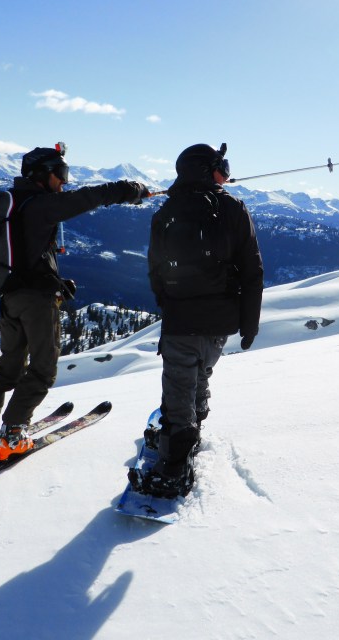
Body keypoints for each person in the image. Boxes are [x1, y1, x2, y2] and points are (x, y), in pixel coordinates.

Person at [0, 146, 148, 460]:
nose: (64, 182)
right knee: (43, 369)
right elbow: (90, 197)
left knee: (8, 370)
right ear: (42, 174)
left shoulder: (12, 203)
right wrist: (129, 190)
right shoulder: (40, 206)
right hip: (36, 302)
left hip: (9, 297)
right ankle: (13, 432)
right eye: (60, 174)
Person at [141, 142, 264, 496]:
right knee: (200, 373)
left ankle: (175, 464)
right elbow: (252, 269)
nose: (224, 173)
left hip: (180, 317)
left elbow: (155, 270)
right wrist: (248, 322)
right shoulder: (232, 208)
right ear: (207, 170)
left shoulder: (165, 212)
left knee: (179, 385)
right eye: (220, 166)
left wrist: (171, 304)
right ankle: (192, 428)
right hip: (221, 321)